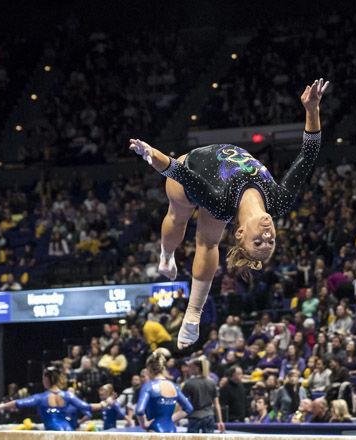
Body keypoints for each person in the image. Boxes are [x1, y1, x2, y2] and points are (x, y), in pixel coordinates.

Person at [129, 78, 329, 349]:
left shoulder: (220, 202)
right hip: (204, 175)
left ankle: (193, 314)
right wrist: (312, 109)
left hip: (191, 171)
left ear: (241, 233)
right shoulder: (279, 201)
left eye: (258, 242)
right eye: (270, 242)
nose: (267, 237)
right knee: (190, 227)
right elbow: (308, 155)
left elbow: (182, 174)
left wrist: (152, 155)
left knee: (184, 221)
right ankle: (166, 258)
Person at [0, 366, 111, 440]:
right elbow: (87, 407)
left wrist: (1, 406)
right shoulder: (67, 395)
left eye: (43, 378)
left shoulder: (42, 397)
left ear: (46, 379)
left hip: (53, 435)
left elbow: (19, 403)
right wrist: (104, 404)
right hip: (69, 433)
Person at [136, 351, 194, 440]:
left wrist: (144, 424)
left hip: (155, 432)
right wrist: (171, 418)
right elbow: (189, 408)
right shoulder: (174, 386)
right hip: (171, 432)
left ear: (149, 369)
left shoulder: (149, 386)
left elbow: (139, 410)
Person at [182, 356, 226, 440]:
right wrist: (220, 421)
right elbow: (217, 404)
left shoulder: (189, 384)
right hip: (209, 417)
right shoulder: (211, 382)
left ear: (197, 368)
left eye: (191, 367)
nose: (189, 369)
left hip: (195, 417)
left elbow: (182, 404)